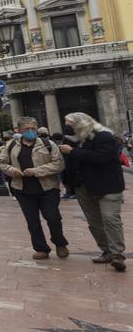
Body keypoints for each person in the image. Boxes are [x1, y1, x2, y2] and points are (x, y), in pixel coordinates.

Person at [61, 112, 127, 272]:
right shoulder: (72, 141)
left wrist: (72, 151)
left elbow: (100, 158)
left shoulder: (104, 136)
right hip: (83, 187)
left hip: (108, 186)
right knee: (94, 221)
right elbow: (68, 164)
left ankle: (118, 255)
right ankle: (107, 251)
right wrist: (69, 184)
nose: (68, 128)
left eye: (70, 124)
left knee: (110, 219)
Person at [0, 117, 68, 260]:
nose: (30, 131)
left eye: (33, 128)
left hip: (48, 188)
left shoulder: (48, 144)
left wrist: (36, 171)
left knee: (53, 217)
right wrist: (12, 170)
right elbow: (2, 162)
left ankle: (60, 243)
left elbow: (59, 164)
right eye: (27, 129)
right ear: (19, 130)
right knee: (32, 221)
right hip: (22, 189)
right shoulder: (11, 145)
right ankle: (41, 248)